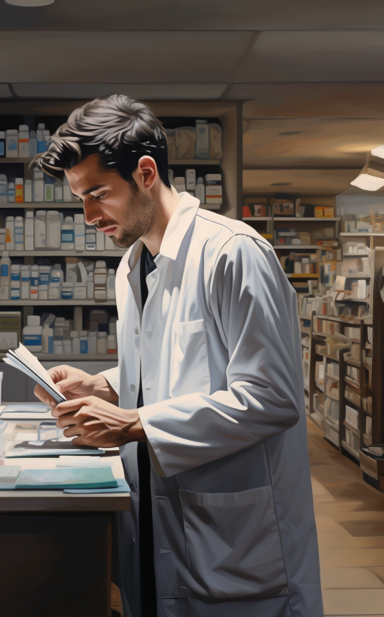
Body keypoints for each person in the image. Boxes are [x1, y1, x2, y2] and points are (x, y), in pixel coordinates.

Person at [34, 94, 322, 617]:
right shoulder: (133, 266)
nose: (88, 214)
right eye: (80, 197)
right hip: (154, 513)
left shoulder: (233, 253)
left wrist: (135, 423)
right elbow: (176, 369)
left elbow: (273, 397)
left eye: (99, 193)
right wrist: (103, 386)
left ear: (146, 173)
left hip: (236, 536)